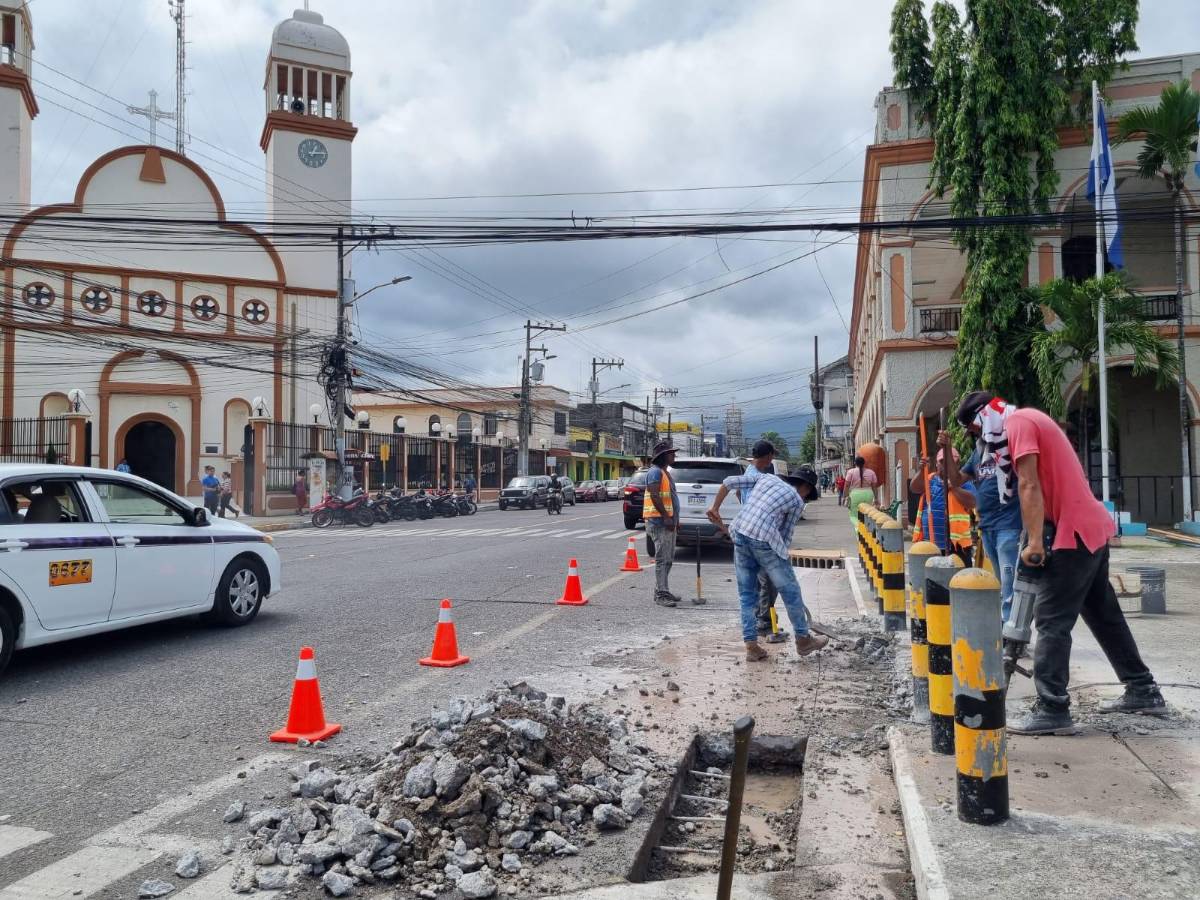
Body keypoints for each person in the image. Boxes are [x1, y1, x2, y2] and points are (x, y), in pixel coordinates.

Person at [955, 392, 1168, 734]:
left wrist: (1035, 542)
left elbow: (1028, 483)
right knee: (1105, 617)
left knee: (1051, 621)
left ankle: (1052, 708)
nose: (978, 439)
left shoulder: (1019, 422)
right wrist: (1035, 533)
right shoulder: (1027, 421)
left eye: (975, 431)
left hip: (1073, 532)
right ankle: (1142, 689)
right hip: (1088, 527)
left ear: (984, 418)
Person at [707, 470, 829, 660]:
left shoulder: (766, 477)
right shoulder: (796, 501)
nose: (804, 497)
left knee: (747, 596)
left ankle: (751, 646)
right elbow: (785, 536)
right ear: (805, 488)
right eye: (807, 494)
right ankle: (803, 639)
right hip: (763, 540)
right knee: (791, 591)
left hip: (739, 532)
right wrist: (779, 564)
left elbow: (729, 480)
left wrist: (715, 508)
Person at [948, 406, 1023, 621]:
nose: (974, 433)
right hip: (987, 525)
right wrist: (948, 449)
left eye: (975, 428)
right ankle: (1005, 627)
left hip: (1009, 524)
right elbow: (956, 480)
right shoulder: (979, 452)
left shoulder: (1009, 443)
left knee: (1010, 583)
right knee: (1001, 582)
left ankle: (1012, 633)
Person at [909, 442, 974, 563]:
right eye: (942, 462)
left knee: (959, 580)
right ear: (937, 464)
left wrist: (953, 487)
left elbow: (972, 502)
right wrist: (921, 471)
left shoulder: (963, 482)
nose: (945, 465)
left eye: (949, 462)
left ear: (957, 464)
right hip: (931, 544)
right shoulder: (930, 479)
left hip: (957, 546)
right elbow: (915, 487)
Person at [643, 440, 681, 608]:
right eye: (671, 453)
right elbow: (654, 495)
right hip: (659, 522)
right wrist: (666, 517)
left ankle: (662, 589)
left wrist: (675, 520)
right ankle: (661, 594)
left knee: (669, 559)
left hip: (668, 522)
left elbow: (671, 498)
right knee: (662, 559)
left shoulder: (665, 473)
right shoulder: (655, 472)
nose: (674, 455)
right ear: (663, 456)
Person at [844, 455, 878, 524]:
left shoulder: (851, 472)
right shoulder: (871, 472)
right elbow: (874, 487)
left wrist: (845, 496)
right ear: (864, 463)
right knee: (868, 513)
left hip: (855, 494)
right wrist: (876, 498)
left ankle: (858, 530)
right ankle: (867, 531)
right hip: (868, 494)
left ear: (855, 463)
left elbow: (847, 485)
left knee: (854, 514)